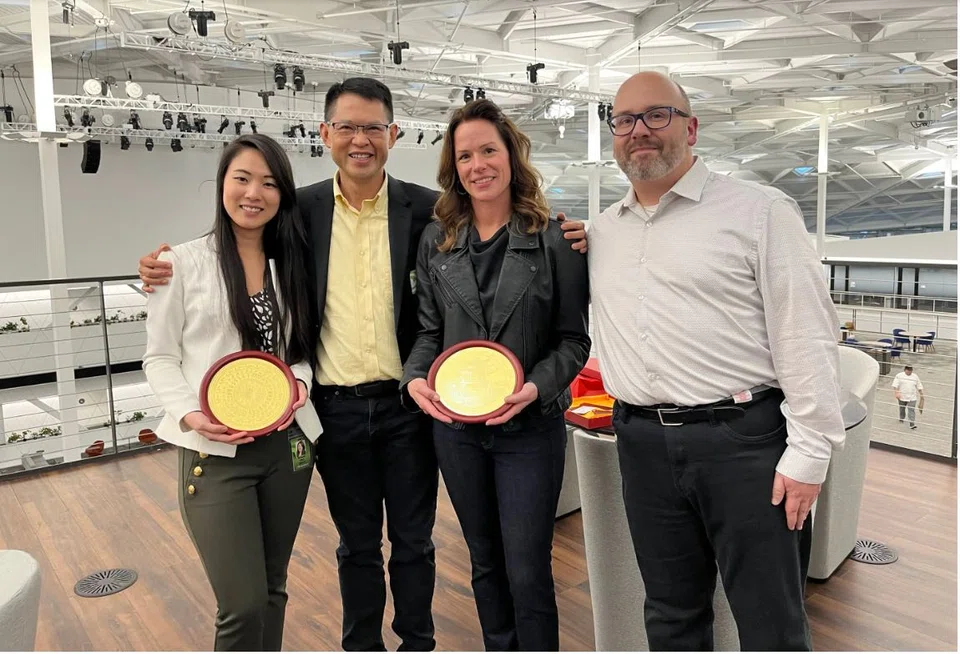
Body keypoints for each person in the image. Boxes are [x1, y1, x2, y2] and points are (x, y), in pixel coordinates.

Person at [137, 77, 589, 651]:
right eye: (347, 126)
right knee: (356, 546)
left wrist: (580, 232)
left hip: (410, 406)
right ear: (325, 133)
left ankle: (417, 643)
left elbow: (452, 305)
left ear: (393, 134)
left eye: (372, 127)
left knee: (416, 543)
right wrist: (164, 267)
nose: (360, 139)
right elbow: (237, 237)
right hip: (335, 409)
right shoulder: (299, 211)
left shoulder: (429, 211)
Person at [587, 72, 846, 651]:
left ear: (691, 127)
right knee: (670, 614)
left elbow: (807, 334)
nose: (638, 130)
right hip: (641, 443)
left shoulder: (759, 211)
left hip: (745, 445)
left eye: (656, 115)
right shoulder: (603, 231)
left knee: (771, 623)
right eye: (624, 120)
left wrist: (810, 454)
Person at [402, 99, 591, 651]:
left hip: (529, 430)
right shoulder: (437, 241)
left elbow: (574, 341)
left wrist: (535, 388)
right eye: (465, 156)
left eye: (488, 150)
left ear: (511, 155)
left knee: (528, 568)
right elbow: (429, 333)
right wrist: (415, 378)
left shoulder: (555, 239)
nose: (478, 165)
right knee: (484, 562)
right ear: (453, 167)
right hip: (457, 432)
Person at [142, 134, 321, 651]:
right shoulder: (181, 263)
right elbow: (159, 357)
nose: (253, 193)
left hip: (287, 447)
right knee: (241, 604)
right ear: (222, 183)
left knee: (273, 588)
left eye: (269, 183)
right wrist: (190, 414)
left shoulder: (291, 262)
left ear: (283, 194)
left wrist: (299, 384)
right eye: (242, 178)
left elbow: (300, 352)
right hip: (217, 452)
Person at [892, 365, 924, 429]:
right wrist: (896, 393)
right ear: (905, 370)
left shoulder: (915, 376)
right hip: (902, 396)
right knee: (902, 408)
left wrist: (921, 394)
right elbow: (895, 385)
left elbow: (919, 385)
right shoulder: (899, 375)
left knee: (911, 410)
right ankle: (902, 418)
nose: (909, 372)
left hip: (912, 397)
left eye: (910, 370)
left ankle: (912, 423)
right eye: (908, 370)